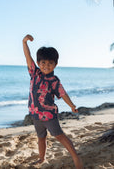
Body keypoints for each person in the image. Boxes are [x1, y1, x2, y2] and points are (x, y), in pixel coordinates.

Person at [22, 34, 83, 169]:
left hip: (49, 115)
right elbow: (28, 57)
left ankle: (75, 156)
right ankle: (41, 158)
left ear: (55, 64)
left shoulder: (54, 81)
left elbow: (63, 93)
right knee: (41, 138)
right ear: (38, 63)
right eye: (43, 63)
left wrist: (72, 105)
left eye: (50, 63)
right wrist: (24, 42)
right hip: (35, 115)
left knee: (60, 136)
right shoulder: (34, 73)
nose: (46, 66)